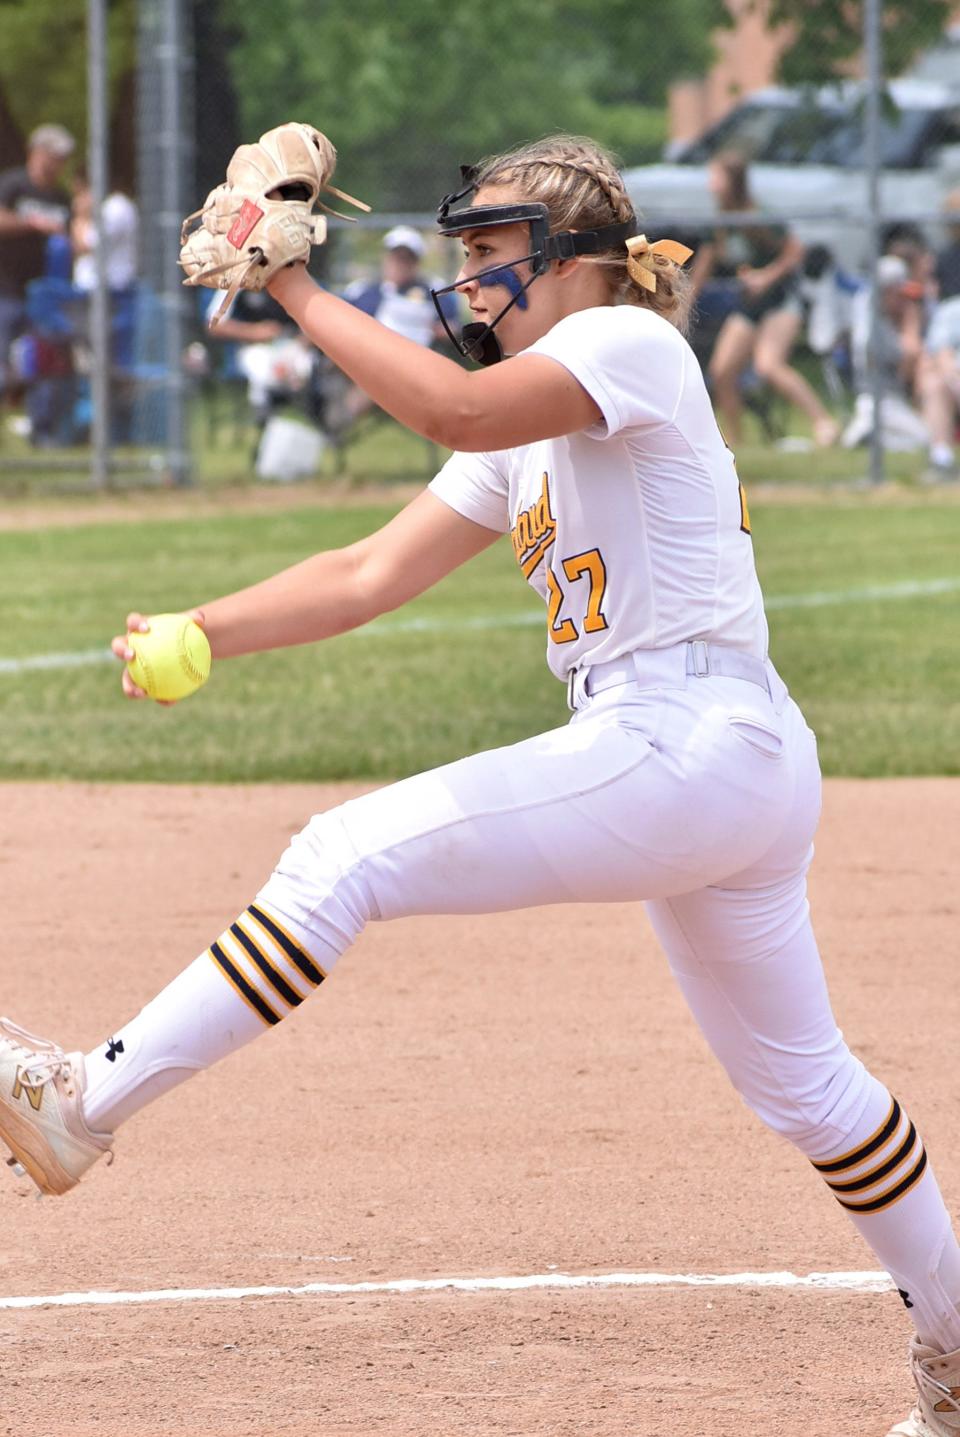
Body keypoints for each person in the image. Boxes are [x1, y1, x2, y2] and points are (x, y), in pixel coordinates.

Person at [1, 133, 958, 1437]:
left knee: (343, 856)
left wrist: (291, 288)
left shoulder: (625, 344)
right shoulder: (533, 411)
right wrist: (208, 625)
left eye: (488, 253)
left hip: (687, 731)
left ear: (571, 260)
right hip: (712, 753)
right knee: (810, 1090)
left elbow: (451, 407)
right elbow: (365, 574)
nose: (465, 282)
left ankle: (84, 1103)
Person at [700, 152, 840, 447]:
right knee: (722, 370)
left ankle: (823, 422)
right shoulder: (721, 218)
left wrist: (766, 276)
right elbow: (707, 261)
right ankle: (732, 445)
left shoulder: (757, 213)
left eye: (715, 176)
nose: (710, 183)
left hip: (780, 299)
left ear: (732, 181)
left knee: (768, 365)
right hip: (751, 302)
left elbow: (794, 252)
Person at [335, 224, 459, 429]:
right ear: (386, 258)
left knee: (376, 377)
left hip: (414, 364)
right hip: (362, 361)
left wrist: (438, 331)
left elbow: (454, 329)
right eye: (395, 257)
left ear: (416, 262)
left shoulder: (433, 293)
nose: (400, 263)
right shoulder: (363, 291)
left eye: (406, 258)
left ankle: (341, 417)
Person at [0, 123, 74, 398]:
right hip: (6, 288)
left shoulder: (60, 197)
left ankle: (39, 426)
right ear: (35, 152)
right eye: (52, 156)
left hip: (44, 292)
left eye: (61, 159)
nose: (56, 164)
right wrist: (31, 224)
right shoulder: (13, 185)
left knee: (42, 361)